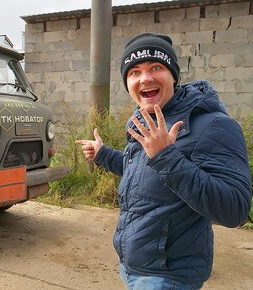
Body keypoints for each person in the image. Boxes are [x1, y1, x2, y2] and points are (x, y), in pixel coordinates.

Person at [76, 33, 252, 289]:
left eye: (156, 67)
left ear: (173, 76)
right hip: (135, 265)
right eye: (134, 72)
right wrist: (103, 154)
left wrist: (166, 158)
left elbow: (234, 210)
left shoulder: (213, 125)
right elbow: (140, 170)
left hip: (168, 277)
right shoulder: (145, 121)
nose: (145, 78)